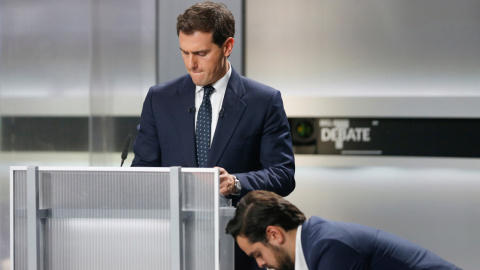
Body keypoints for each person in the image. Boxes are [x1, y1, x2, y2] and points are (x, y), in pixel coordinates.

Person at [131, 2, 295, 269]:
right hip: (173, 247)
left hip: (238, 250)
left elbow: (283, 174)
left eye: (201, 53)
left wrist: (235, 183)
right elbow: (143, 172)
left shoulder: (264, 101)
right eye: (184, 53)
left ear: (227, 47)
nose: (191, 64)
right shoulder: (159, 99)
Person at [226, 190, 462, 270]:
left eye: (258, 254)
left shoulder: (330, 248)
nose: (260, 263)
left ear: (274, 234)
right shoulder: (315, 244)